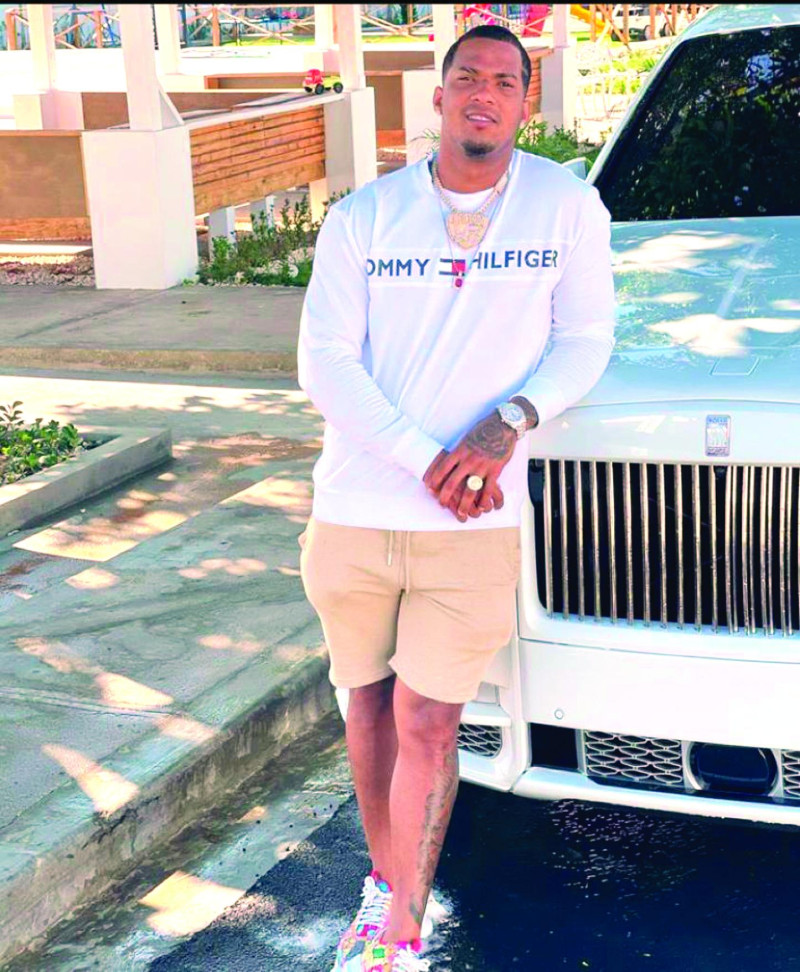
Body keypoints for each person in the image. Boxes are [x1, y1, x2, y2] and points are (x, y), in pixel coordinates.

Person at [297, 24, 616, 972]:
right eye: (467, 77)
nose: (485, 92)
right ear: (438, 98)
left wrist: (506, 423)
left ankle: (401, 931)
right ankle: (382, 884)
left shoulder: (565, 206)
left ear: (525, 102)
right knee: (365, 706)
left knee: (431, 720)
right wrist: (423, 455)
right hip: (356, 514)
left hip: (473, 525)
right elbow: (324, 362)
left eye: (505, 81)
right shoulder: (365, 217)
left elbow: (585, 341)